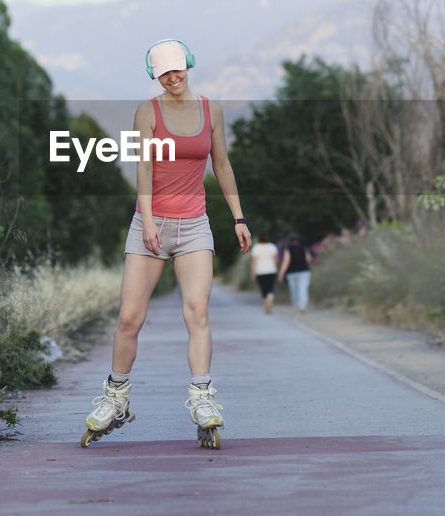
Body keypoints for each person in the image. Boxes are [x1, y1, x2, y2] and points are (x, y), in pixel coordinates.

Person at [81, 39, 251, 448]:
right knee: (129, 318)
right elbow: (143, 166)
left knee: (198, 312)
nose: (174, 78)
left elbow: (222, 165)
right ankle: (115, 398)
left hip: (195, 226)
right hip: (150, 224)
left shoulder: (212, 110)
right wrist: (150, 220)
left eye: (178, 69)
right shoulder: (148, 112)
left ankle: (203, 399)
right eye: (165, 74)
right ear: (156, 76)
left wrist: (239, 218)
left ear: (189, 65)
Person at [276, 230, 310, 314]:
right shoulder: (303, 248)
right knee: (303, 290)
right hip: (304, 272)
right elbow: (309, 259)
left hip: (292, 273)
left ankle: (296, 307)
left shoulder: (288, 249)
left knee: (294, 290)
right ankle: (302, 306)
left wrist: (281, 274)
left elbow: (286, 262)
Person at [250, 230, 278, 314]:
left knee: (263, 289)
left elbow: (254, 262)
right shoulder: (272, 247)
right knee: (270, 289)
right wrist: (277, 269)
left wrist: (253, 273)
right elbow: (276, 260)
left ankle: (266, 305)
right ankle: (270, 303)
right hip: (271, 270)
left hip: (260, 271)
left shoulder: (256, 247)